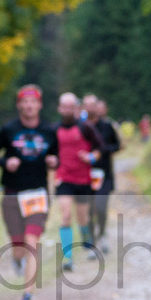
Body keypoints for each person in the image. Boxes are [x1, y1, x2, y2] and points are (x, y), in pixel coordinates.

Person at [0, 84, 59, 300]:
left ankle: (27, 297)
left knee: (31, 243)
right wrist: (5, 163)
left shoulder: (49, 131)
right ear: (19, 105)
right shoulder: (8, 129)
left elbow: (57, 157)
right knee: (18, 246)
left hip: (37, 194)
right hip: (12, 194)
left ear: (39, 105)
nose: (28, 106)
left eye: (33, 102)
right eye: (24, 102)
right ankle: (18, 260)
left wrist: (54, 162)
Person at [53, 92, 105, 271]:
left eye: (71, 106)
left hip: (82, 180)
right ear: (59, 108)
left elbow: (100, 148)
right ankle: (67, 258)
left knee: (82, 219)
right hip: (64, 178)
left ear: (76, 108)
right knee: (66, 216)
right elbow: (50, 152)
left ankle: (87, 241)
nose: (67, 110)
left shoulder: (86, 127)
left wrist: (91, 157)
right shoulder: (54, 130)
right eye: (64, 106)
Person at [87, 99, 122, 254]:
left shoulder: (107, 126)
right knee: (88, 210)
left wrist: (104, 150)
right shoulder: (82, 127)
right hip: (85, 175)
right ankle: (91, 241)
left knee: (100, 207)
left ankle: (102, 234)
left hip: (104, 174)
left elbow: (118, 145)